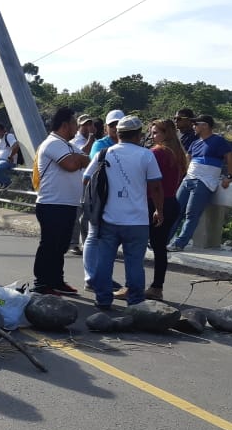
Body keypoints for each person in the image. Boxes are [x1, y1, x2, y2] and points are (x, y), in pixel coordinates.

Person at [82, 115, 164, 309]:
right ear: (138, 134)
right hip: (137, 221)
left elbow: (86, 179)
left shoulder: (104, 153)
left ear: (117, 134)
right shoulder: (146, 155)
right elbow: (156, 187)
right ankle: (135, 302)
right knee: (134, 263)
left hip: (108, 218)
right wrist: (159, 210)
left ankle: (103, 300)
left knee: (104, 261)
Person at [32, 107, 89, 294]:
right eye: (74, 124)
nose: (76, 127)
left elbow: (86, 160)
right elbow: (72, 165)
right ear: (65, 125)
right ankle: (42, 283)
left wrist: (79, 158)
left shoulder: (69, 145)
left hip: (67, 204)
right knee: (50, 244)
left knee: (61, 244)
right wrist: (79, 159)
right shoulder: (52, 143)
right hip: (52, 204)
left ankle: (56, 280)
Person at [168, 113, 232, 252]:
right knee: (175, 211)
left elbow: (230, 157)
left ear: (205, 125)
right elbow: (188, 160)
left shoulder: (218, 141)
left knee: (191, 213)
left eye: (196, 124)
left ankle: (179, 243)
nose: (193, 126)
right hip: (188, 180)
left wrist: (230, 176)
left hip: (204, 181)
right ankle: (164, 239)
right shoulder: (195, 143)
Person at [139, 119, 185, 300]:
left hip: (155, 202)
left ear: (166, 133)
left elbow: (149, 181)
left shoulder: (156, 153)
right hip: (172, 201)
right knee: (159, 248)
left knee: (138, 244)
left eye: (156, 132)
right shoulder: (178, 153)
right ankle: (157, 286)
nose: (152, 135)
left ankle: (134, 285)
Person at [81, 109, 125, 288]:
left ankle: (102, 276)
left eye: (119, 124)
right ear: (106, 127)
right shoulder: (100, 145)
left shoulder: (132, 145)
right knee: (93, 236)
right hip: (101, 197)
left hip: (120, 199)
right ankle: (91, 277)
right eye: (112, 125)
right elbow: (91, 173)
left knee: (109, 240)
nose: (115, 128)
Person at [69, 115, 96, 254]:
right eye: (85, 124)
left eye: (90, 124)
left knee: (88, 215)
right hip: (79, 181)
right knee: (77, 214)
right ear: (79, 126)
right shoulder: (75, 141)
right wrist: (91, 139)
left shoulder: (95, 141)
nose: (88, 127)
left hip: (93, 182)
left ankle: (86, 244)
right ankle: (73, 243)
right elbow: (83, 154)